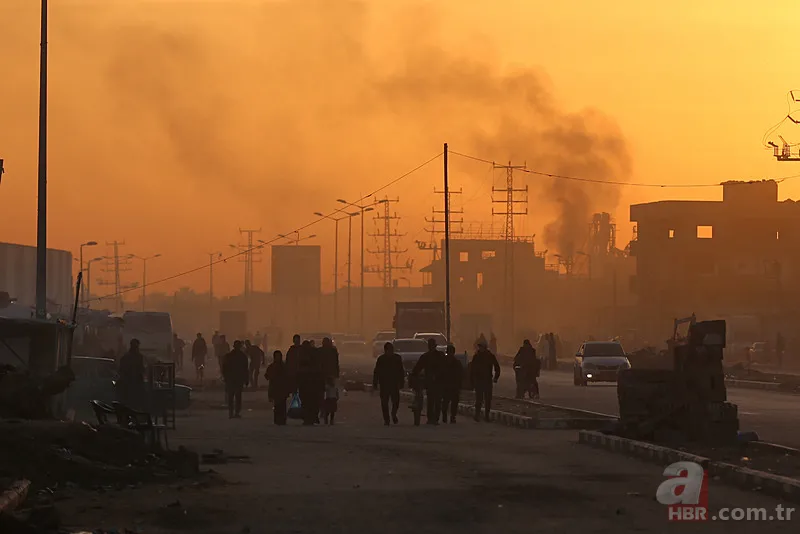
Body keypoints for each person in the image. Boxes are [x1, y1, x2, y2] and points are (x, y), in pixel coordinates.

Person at [410, 338, 446, 425]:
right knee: (431, 400)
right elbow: (417, 368)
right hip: (430, 381)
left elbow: (444, 368)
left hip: (438, 381)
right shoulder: (426, 356)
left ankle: (435, 419)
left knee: (436, 401)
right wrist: (413, 375)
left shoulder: (439, 356)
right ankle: (431, 419)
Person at [373, 342, 405, 425]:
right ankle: (386, 419)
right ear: (385, 350)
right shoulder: (381, 359)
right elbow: (376, 372)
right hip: (384, 384)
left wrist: (402, 382)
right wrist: (375, 383)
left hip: (394, 383)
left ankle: (393, 414)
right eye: (389, 350)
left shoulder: (397, 358)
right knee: (384, 403)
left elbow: (401, 371)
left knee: (396, 402)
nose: (390, 352)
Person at [470, 339, 500, 421]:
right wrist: (472, 380)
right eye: (479, 347)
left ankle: (486, 416)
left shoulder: (490, 356)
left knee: (487, 399)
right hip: (479, 380)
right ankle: (477, 415)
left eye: (481, 347)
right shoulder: (476, 356)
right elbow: (472, 369)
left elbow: (497, 367)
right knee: (479, 399)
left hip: (487, 380)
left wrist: (496, 377)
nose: (480, 348)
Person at [296, 340, 324, 425]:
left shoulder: (303, 355)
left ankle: (309, 418)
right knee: (312, 401)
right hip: (310, 383)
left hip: (308, 383)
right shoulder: (313, 354)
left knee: (308, 401)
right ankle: (311, 417)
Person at [222, 340, 249, 419]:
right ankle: (236, 412)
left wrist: (225, 377)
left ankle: (231, 412)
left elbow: (224, 368)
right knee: (237, 397)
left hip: (231, 378)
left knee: (231, 396)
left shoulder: (229, 356)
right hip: (238, 379)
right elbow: (245, 369)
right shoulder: (242, 356)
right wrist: (246, 379)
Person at [119, 339, 146, 409]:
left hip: (130, 385)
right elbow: (141, 369)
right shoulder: (138, 357)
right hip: (133, 385)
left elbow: (121, 370)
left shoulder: (126, 357)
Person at [265, 350, 290, 425]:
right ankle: (277, 420)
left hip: (282, 388)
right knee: (277, 405)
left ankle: (282, 420)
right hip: (275, 388)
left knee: (282, 405)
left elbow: (288, 377)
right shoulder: (273, 366)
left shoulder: (283, 366)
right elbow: (267, 376)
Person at [440, 344, 463, 424]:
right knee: (446, 402)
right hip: (447, 385)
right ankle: (446, 416)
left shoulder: (456, 363)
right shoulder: (444, 362)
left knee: (452, 402)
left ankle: (451, 417)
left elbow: (461, 374)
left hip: (453, 386)